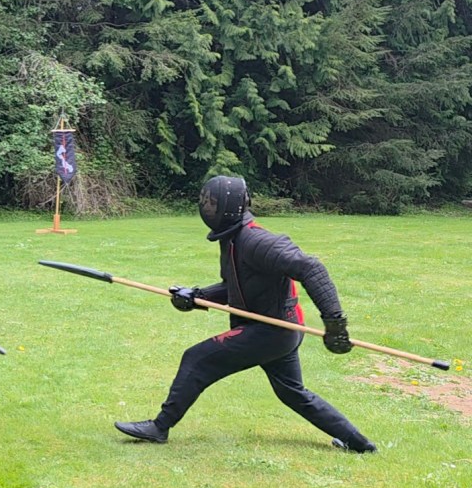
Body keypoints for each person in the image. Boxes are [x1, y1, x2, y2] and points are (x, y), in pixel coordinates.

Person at [115, 175, 377, 453]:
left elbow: (311, 268)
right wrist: (197, 296)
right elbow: (235, 286)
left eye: (213, 203)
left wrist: (335, 322)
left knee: (197, 359)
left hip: (272, 331)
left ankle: (160, 426)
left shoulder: (256, 240)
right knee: (293, 393)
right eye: (205, 203)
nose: (207, 208)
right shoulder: (232, 239)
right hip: (279, 330)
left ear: (230, 207)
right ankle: (358, 443)